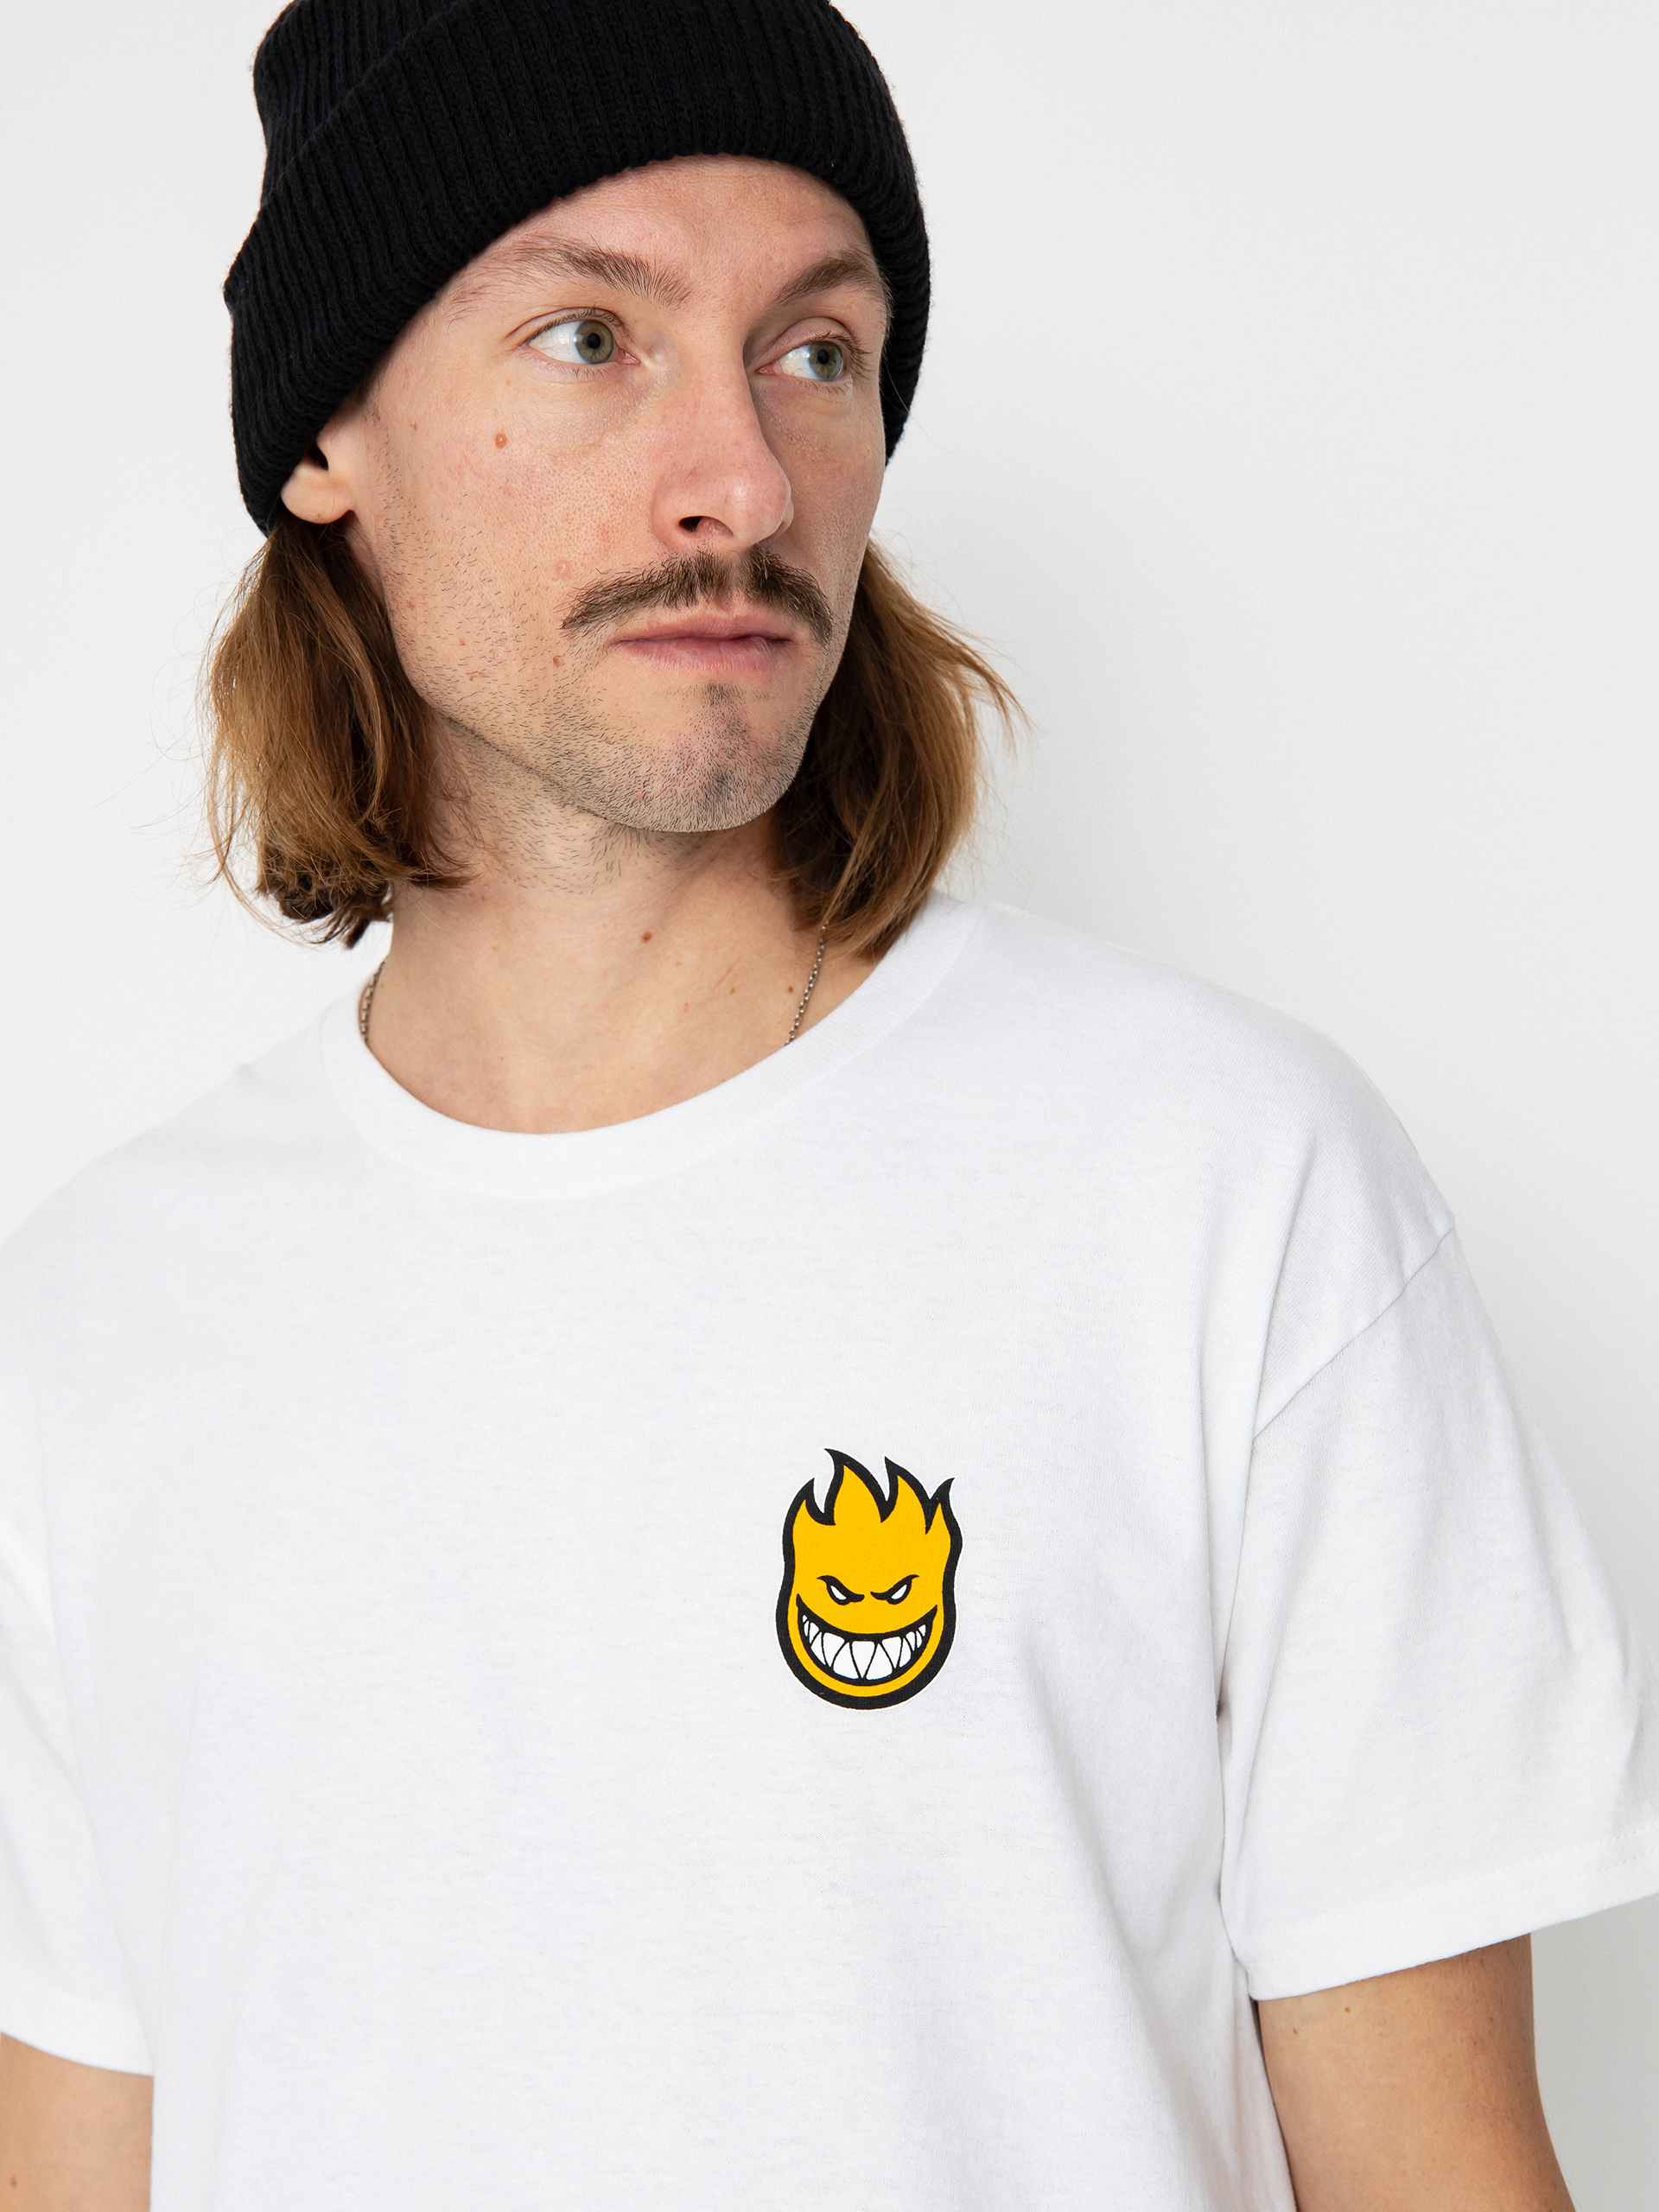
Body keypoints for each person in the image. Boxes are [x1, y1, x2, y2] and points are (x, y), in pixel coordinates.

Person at [1, 0, 1656, 2205]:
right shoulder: (100, 1322)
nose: (748, 481)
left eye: (817, 350)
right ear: (326, 434)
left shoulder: (1224, 1193)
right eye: (591, 337)